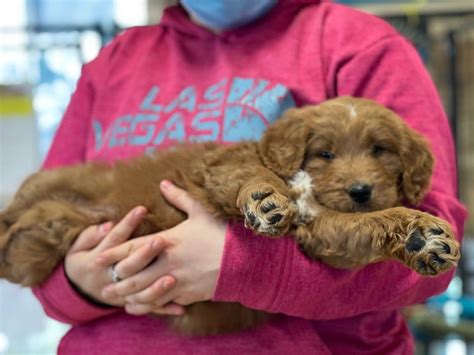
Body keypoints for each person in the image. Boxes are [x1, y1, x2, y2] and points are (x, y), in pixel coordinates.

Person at [33, 0, 467, 353]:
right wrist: (78, 283)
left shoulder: (359, 45)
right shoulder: (112, 63)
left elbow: (429, 257)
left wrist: (239, 266)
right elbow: (41, 234)